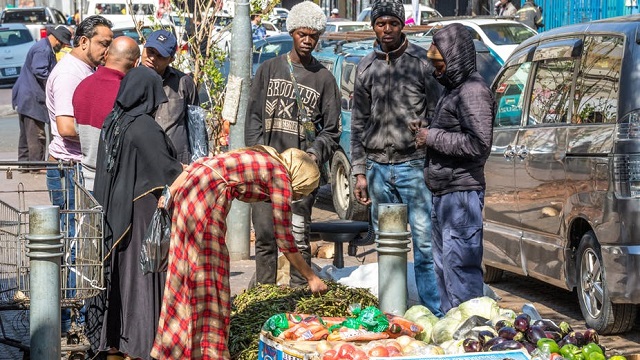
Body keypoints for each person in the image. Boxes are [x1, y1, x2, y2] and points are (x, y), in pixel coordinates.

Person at [151, 146, 328, 359]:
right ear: (299, 179)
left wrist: (170, 191)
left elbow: (200, 163)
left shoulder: (265, 154)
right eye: (300, 192)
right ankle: (208, 353)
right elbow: (285, 239)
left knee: (183, 275)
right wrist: (312, 278)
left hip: (190, 192)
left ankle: (174, 350)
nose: (294, 197)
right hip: (205, 202)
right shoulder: (281, 175)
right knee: (209, 279)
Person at [350, 0, 443, 317]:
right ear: (373, 27)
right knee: (389, 246)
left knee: (425, 243)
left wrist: (426, 135)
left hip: (413, 167)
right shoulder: (365, 67)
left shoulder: (421, 63)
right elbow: (358, 125)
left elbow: (438, 112)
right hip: (377, 170)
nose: (386, 29)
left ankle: (433, 312)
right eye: (380, 24)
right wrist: (359, 172)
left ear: (402, 25)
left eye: (392, 23)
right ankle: (393, 312)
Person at [244, 0, 341, 288]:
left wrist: (312, 155)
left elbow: (332, 130)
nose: (308, 40)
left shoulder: (324, 79)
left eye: (313, 35)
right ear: (292, 32)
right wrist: (258, 158)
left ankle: (299, 299)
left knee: (298, 240)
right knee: (264, 239)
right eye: (302, 34)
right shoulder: (269, 69)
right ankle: (263, 297)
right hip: (266, 173)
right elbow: (253, 120)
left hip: (300, 181)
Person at [93, 66, 183, 360]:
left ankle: (115, 342)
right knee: (141, 280)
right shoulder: (143, 126)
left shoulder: (113, 120)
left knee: (119, 280)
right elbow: (168, 169)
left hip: (114, 213)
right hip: (139, 215)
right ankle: (142, 344)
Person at [416, 23, 495, 313]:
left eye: (440, 60)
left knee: (461, 272)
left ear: (456, 56)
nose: (435, 66)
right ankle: (453, 336)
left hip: (461, 197)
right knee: (445, 271)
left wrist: (431, 137)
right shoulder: (454, 89)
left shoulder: (473, 91)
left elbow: (478, 143)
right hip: (445, 194)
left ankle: (470, 338)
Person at [45, 15, 113, 335]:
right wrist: (105, 134)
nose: (107, 49)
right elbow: (65, 126)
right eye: (103, 43)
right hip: (68, 169)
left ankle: (74, 321)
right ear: (83, 41)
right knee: (74, 248)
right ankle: (73, 323)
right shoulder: (70, 73)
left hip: (76, 166)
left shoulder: (88, 70)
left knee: (80, 247)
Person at [73, 36, 140, 193]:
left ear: (106, 55)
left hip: (86, 181)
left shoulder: (82, 86)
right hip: (116, 184)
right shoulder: (128, 93)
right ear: (136, 63)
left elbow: (77, 130)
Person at [12, 24, 71, 164]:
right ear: (58, 40)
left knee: (26, 134)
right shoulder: (43, 49)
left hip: (25, 95)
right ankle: (36, 165)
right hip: (31, 97)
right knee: (36, 134)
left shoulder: (43, 47)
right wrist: (55, 83)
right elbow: (40, 71)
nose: (62, 47)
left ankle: (25, 164)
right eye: (63, 44)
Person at [141, 29, 199, 164]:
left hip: (177, 162)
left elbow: (196, 125)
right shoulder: (129, 80)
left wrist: (198, 162)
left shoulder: (183, 82)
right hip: (143, 160)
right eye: (150, 51)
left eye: (160, 56)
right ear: (143, 47)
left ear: (171, 59)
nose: (153, 58)